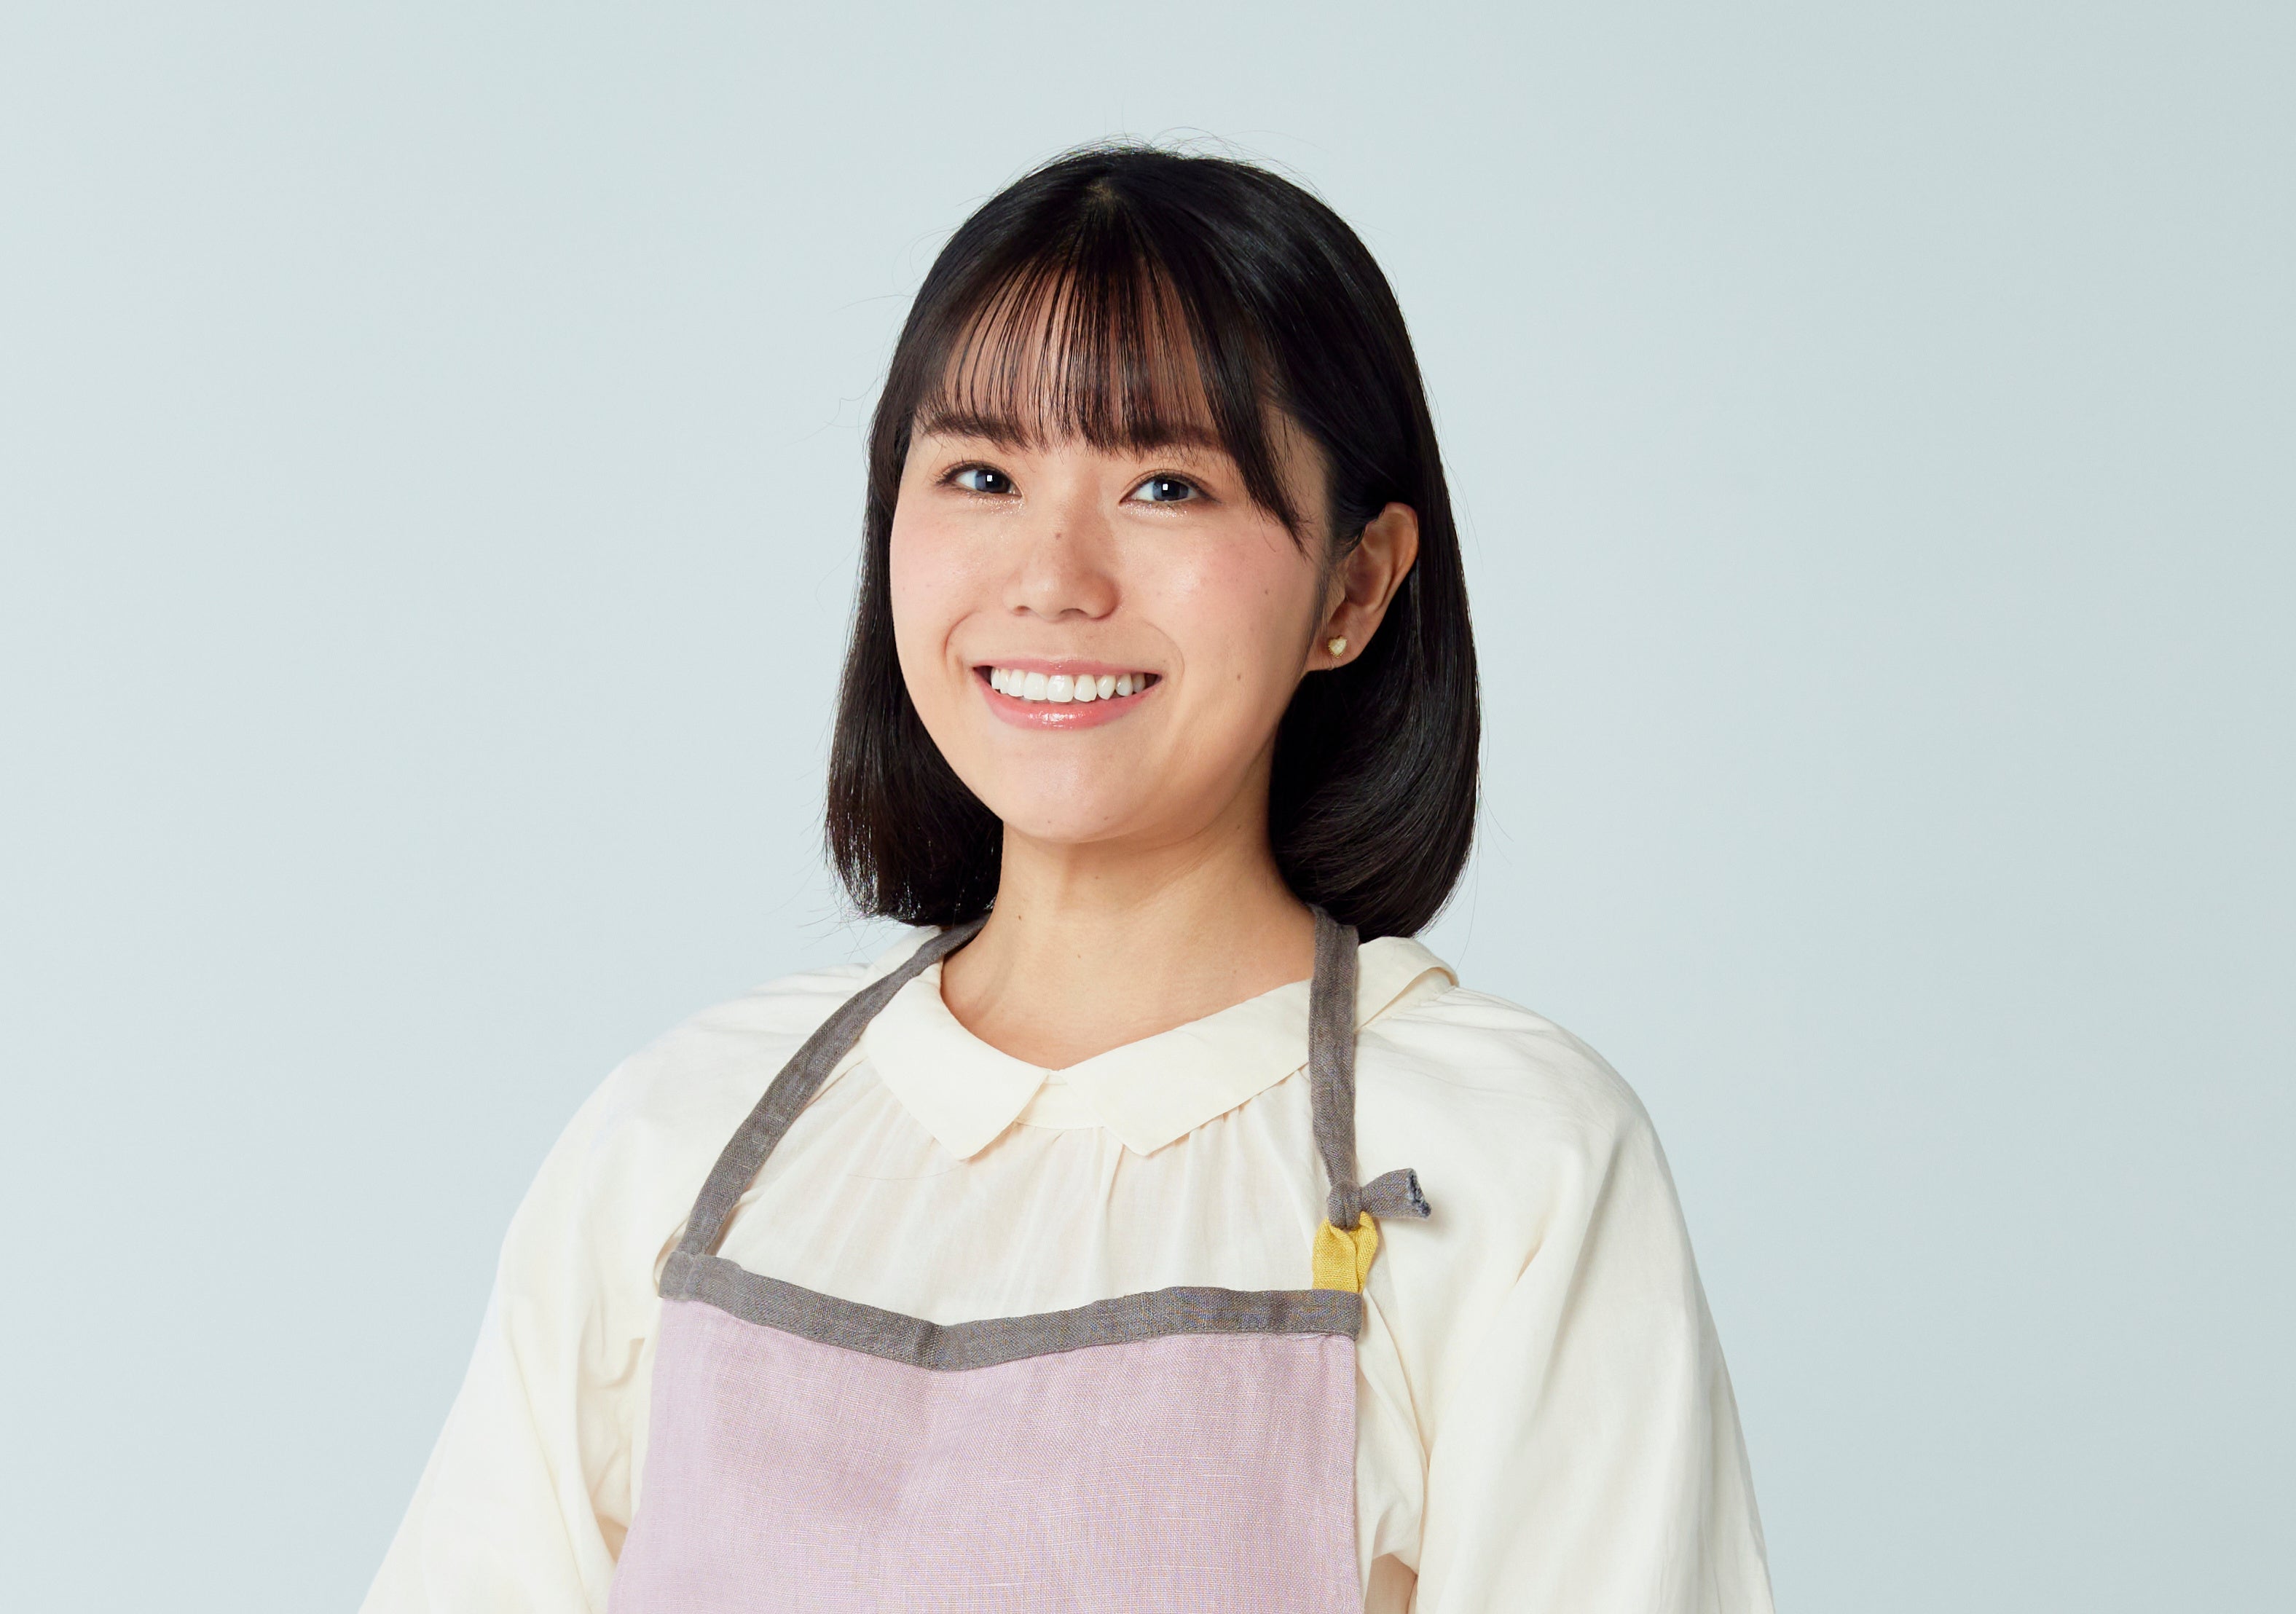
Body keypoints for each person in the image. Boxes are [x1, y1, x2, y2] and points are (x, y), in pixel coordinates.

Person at [363, 143, 1773, 1614]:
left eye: (1167, 485)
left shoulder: (1511, 1165)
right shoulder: (677, 1137)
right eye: (980, 474)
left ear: (1352, 588)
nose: (1052, 576)